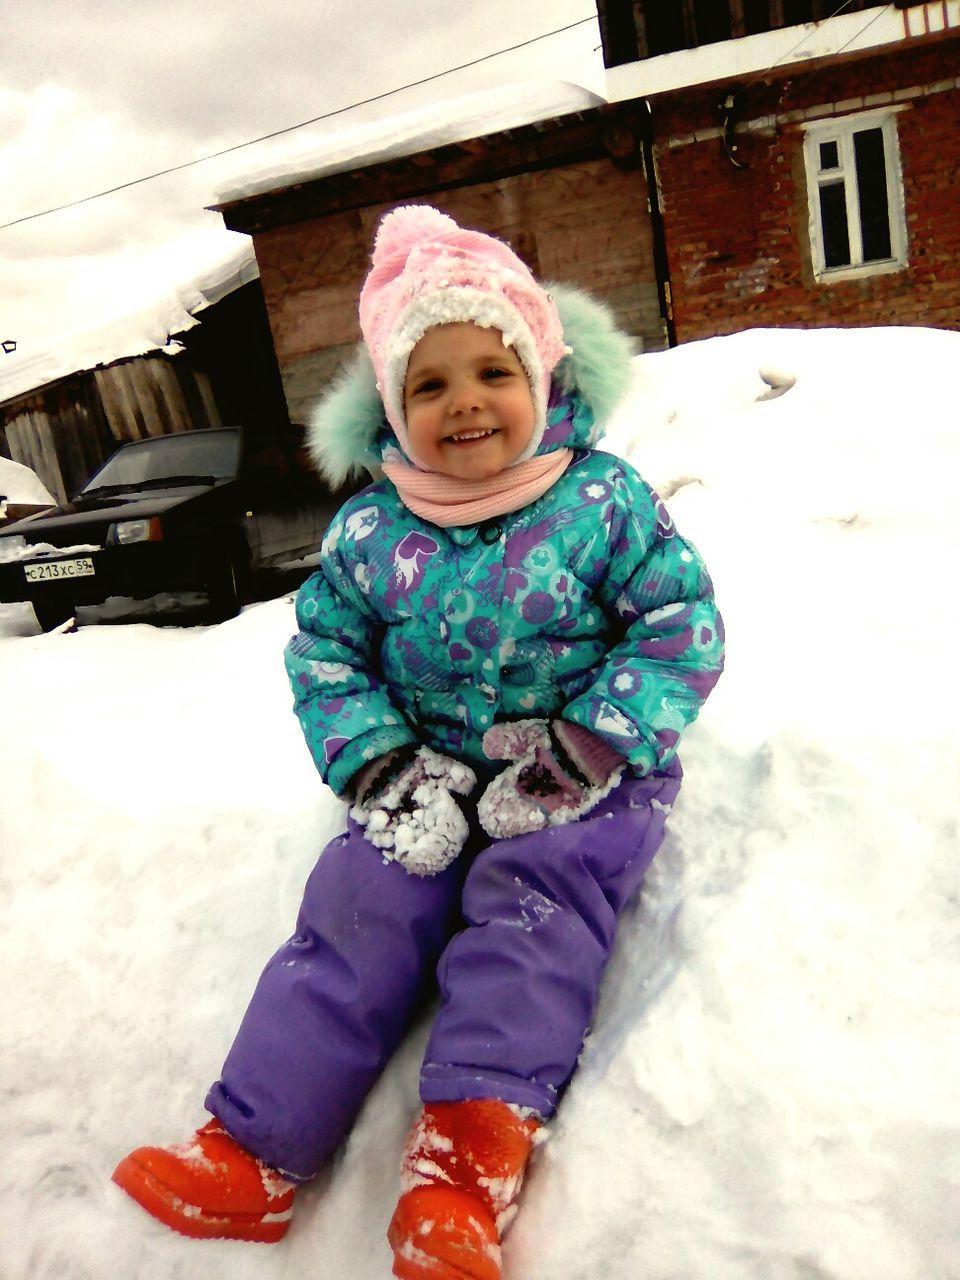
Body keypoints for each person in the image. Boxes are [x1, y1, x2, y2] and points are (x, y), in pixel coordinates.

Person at [112, 205, 725, 1279]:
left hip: (578, 770)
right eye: (429, 384)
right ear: (392, 409)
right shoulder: (370, 531)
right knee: (357, 908)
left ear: (543, 374)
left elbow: (682, 628)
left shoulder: (602, 502)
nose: (466, 402)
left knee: (535, 913)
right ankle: (252, 1150)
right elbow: (326, 656)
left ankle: (460, 1175)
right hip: (428, 765)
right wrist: (384, 766)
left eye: (492, 369)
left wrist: (590, 742)